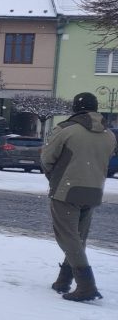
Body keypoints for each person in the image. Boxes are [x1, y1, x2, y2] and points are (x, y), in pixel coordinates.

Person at [41, 92, 115, 302]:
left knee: (68, 237)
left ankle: (86, 286)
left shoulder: (66, 130)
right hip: (94, 190)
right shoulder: (109, 134)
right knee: (78, 237)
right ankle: (64, 280)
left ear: (75, 107)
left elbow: (47, 158)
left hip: (66, 189)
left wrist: (52, 176)